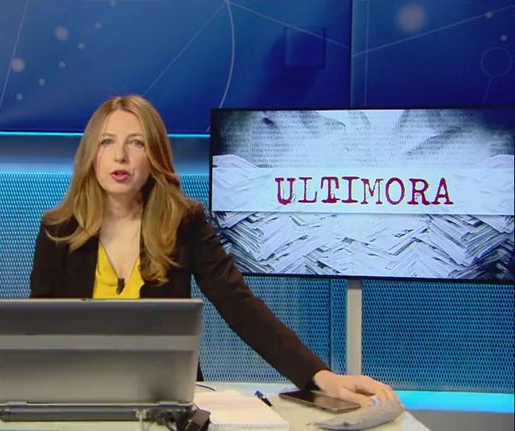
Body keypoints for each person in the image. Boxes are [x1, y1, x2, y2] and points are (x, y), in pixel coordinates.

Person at [29, 94, 399, 407]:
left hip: (166, 400)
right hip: (78, 397)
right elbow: (37, 332)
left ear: (154, 155)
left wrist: (319, 376)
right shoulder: (59, 231)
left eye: (136, 143)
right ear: (91, 154)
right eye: (107, 142)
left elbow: (240, 305)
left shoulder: (184, 223)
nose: (120, 156)